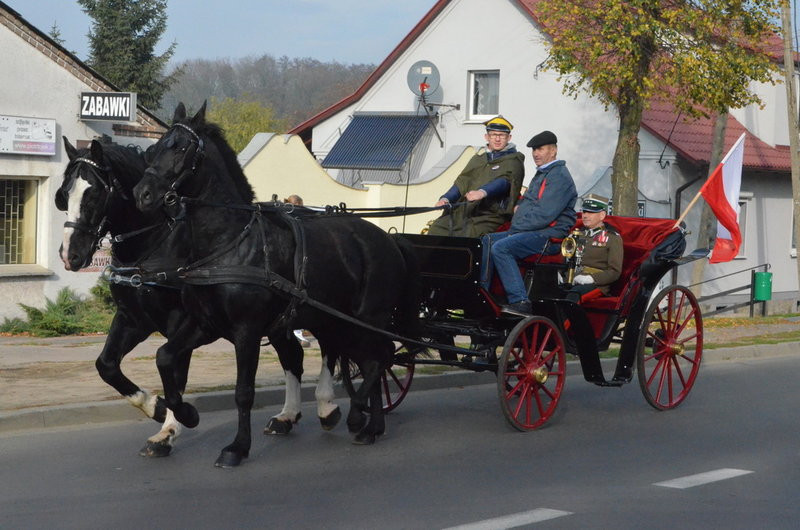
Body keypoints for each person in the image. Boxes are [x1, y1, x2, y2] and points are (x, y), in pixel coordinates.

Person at [486, 130, 577, 315]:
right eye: (534, 149)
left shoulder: (559, 176)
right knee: (486, 241)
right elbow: (527, 201)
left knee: (501, 247)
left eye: (540, 149)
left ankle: (520, 301)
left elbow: (544, 215)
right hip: (530, 232)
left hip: (550, 236)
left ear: (553, 150)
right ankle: (484, 293)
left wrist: (515, 229)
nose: (536, 153)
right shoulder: (542, 174)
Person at [426, 116, 524, 237]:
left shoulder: (514, 160)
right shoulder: (478, 159)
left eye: (502, 135)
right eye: (493, 135)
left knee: (468, 235)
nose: (497, 139)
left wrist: (482, 192)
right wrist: (445, 199)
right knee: (438, 228)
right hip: (466, 211)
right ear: (487, 137)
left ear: (509, 138)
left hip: (490, 215)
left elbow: (505, 181)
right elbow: (462, 182)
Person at [564, 194, 623, 302]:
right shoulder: (577, 234)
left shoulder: (612, 237)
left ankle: (566, 320)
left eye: (590, 212)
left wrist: (591, 278)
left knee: (573, 296)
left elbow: (614, 271)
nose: (585, 215)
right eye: (584, 211)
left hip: (596, 284)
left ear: (602, 215)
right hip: (571, 279)